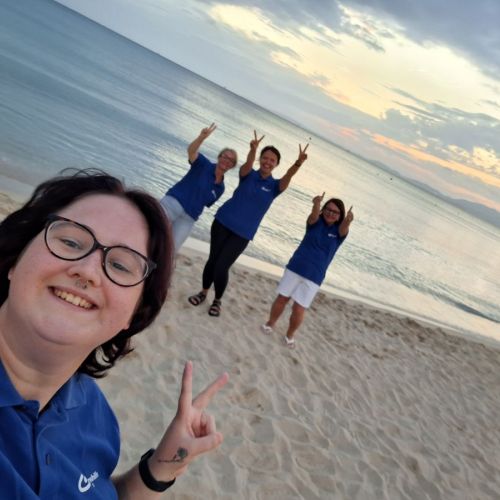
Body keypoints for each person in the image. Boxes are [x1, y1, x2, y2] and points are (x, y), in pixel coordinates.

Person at [0, 170, 228, 499]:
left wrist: (160, 469)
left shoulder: (97, 417)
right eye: (70, 242)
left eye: (120, 265)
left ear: (133, 314)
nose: (88, 271)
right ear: (16, 258)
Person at [188, 131, 309, 317]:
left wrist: (298, 163)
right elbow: (248, 164)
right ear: (260, 159)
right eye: (265, 158)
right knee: (213, 260)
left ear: (276, 164)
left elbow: (288, 175)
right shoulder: (247, 174)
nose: (268, 162)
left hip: (243, 233)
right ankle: (203, 292)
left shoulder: (275, 187)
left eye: (272, 160)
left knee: (222, 266)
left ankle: (217, 300)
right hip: (222, 222)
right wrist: (253, 149)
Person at [261, 193, 354, 349]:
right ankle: (270, 323)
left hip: (314, 276)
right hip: (296, 267)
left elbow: (345, 227)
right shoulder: (314, 222)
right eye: (328, 209)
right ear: (323, 209)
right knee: (282, 298)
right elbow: (313, 215)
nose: (331, 213)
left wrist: (348, 220)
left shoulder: (339, 233)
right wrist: (316, 203)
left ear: (340, 216)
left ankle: (289, 335)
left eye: (335, 212)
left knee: (299, 308)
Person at [160, 123, 238, 252]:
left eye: (231, 160)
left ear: (233, 166)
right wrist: (201, 138)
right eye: (225, 157)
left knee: (171, 250)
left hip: (188, 218)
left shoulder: (221, 188)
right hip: (173, 204)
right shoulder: (203, 164)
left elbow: (206, 203)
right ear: (219, 157)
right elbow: (191, 151)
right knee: (152, 232)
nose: (227, 161)